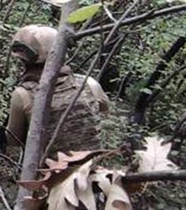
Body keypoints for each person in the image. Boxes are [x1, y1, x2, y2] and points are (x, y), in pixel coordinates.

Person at [6, 25, 110, 155]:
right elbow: (103, 115)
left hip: (51, 173)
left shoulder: (22, 95)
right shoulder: (89, 83)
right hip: (94, 169)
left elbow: (13, 140)